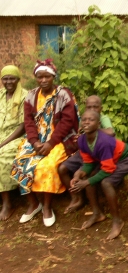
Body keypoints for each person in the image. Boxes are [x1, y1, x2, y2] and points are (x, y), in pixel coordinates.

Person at [12, 59, 79, 227]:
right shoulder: (31, 96)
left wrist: (50, 143)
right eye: (39, 77)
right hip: (36, 139)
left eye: (47, 76)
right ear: (36, 78)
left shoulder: (64, 94)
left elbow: (67, 122)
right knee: (19, 162)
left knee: (47, 166)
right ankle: (34, 203)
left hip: (60, 139)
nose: (43, 80)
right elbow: (28, 122)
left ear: (53, 77)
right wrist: (34, 142)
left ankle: (47, 207)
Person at [69, 110, 128, 240]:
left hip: (126, 159)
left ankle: (117, 221)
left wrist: (86, 183)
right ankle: (97, 213)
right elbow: (88, 163)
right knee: (86, 177)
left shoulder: (104, 141)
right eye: (84, 120)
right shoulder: (82, 140)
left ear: (98, 124)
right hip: (110, 160)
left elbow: (108, 169)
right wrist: (78, 175)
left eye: (91, 120)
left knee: (106, 183)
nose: (87, 122)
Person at [59, 95, 115, 214]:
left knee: (86, 174)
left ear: (101, 108)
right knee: (62, 169)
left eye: (95, 107)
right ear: (85, 108)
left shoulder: (103, 118)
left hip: (98, 153)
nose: (92, 109)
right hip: (84, 151)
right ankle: (76, 197)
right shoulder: (84, 119)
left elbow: (111, 132)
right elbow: (80, 135)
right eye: (89, 107)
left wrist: (93, 128)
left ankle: (91, 205)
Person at [0, 66, 28, 220]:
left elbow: (23, 126)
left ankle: (7, 203)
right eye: (5, 79)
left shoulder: (24, 96)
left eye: (12, 78)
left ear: (18, 79)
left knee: (2, 156)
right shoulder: (0, 95)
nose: (8, 82)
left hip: (17, 137)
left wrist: (3, 143)